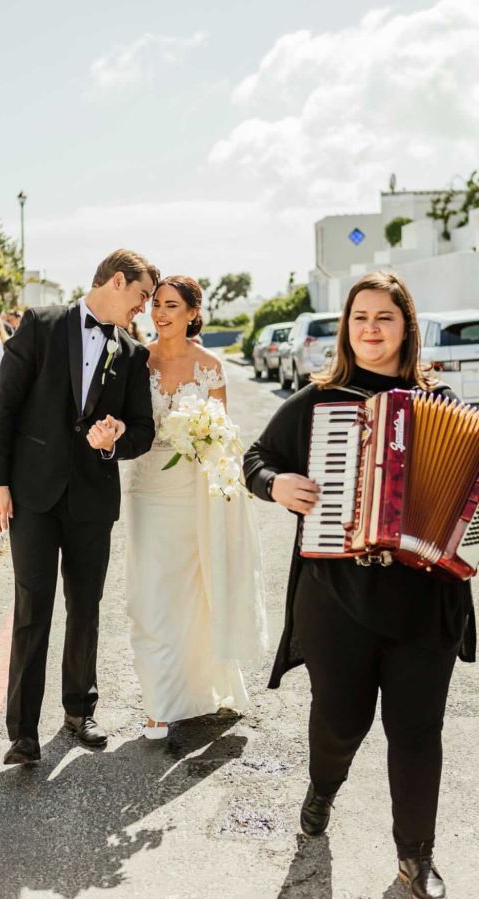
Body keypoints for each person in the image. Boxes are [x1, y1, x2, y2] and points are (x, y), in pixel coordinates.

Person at [243, 271, 476, 899]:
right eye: (360, 318)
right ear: (348, 328)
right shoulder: (319, 403)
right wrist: (276, 485)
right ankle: (323, 790)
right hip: (337, 599)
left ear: (406, 327)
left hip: (425, 602)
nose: (370, 329)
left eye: (385, 318)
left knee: (417, 730)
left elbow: (467, 497)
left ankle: (415, 859)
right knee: (341, 721)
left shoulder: (446, 404)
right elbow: (256, 459)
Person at [0, 248, 158, 766]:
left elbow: (142, 431)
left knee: (85, 610)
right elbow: (4, 406)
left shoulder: (131, 353)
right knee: (31, 610)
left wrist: (114, 437)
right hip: (32, 497)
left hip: (91, 501)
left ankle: (80, 712)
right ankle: (23, 733)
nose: (144, 309)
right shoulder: (41, 323)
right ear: (119, 282)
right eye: (143, 297)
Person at [125, 276, 266, 740]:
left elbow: (225, 437)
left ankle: (197, 688)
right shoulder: (134, 361)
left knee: (194, 593)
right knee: (150, 596)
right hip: (148, 490)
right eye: (156, 305)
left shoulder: (210, 367)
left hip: (194, 494)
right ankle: (158, 703)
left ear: (191, 312)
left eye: (171, 305)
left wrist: (207, 442)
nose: (160, 313)